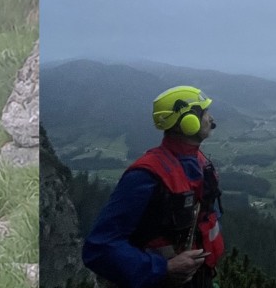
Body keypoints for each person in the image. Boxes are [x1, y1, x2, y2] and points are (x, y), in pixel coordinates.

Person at [83, 86, 225, 288]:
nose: (211, 119)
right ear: (187, 120)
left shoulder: (201, 163)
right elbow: (99, 248)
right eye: (204, 112)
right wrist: (162, 269)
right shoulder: (145, 175)